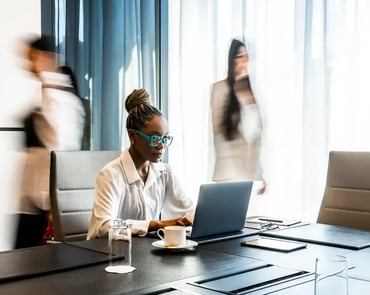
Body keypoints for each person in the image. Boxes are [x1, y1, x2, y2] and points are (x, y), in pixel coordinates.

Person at [87, 89, 194, 239]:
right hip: (107, 254)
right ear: (132, 135)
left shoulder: (164, 172)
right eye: (155, 139)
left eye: (165, 138)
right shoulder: (111, 174)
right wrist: (154, 225)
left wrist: (205, 217)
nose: (161, 146)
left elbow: (187, 211)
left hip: (144, 254)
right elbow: (104, 226)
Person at [14, 35, 85, 248]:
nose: (28, 65)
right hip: (34, 197)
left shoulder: (58, 96)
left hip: (44, 200)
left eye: (31, 58)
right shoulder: (49, 92)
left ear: (47, 58)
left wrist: (53, 205)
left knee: (30, 261)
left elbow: (60, 150)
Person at [210, 39, 266, 194]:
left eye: (246, 55)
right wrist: (228, 179)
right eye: (239, 55)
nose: (244, 60)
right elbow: (219, 135)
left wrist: (260, 175)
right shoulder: (220, 89)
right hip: (228, 175)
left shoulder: (253, 91)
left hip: (249, 175)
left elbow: (255, 138)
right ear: (231, 60)